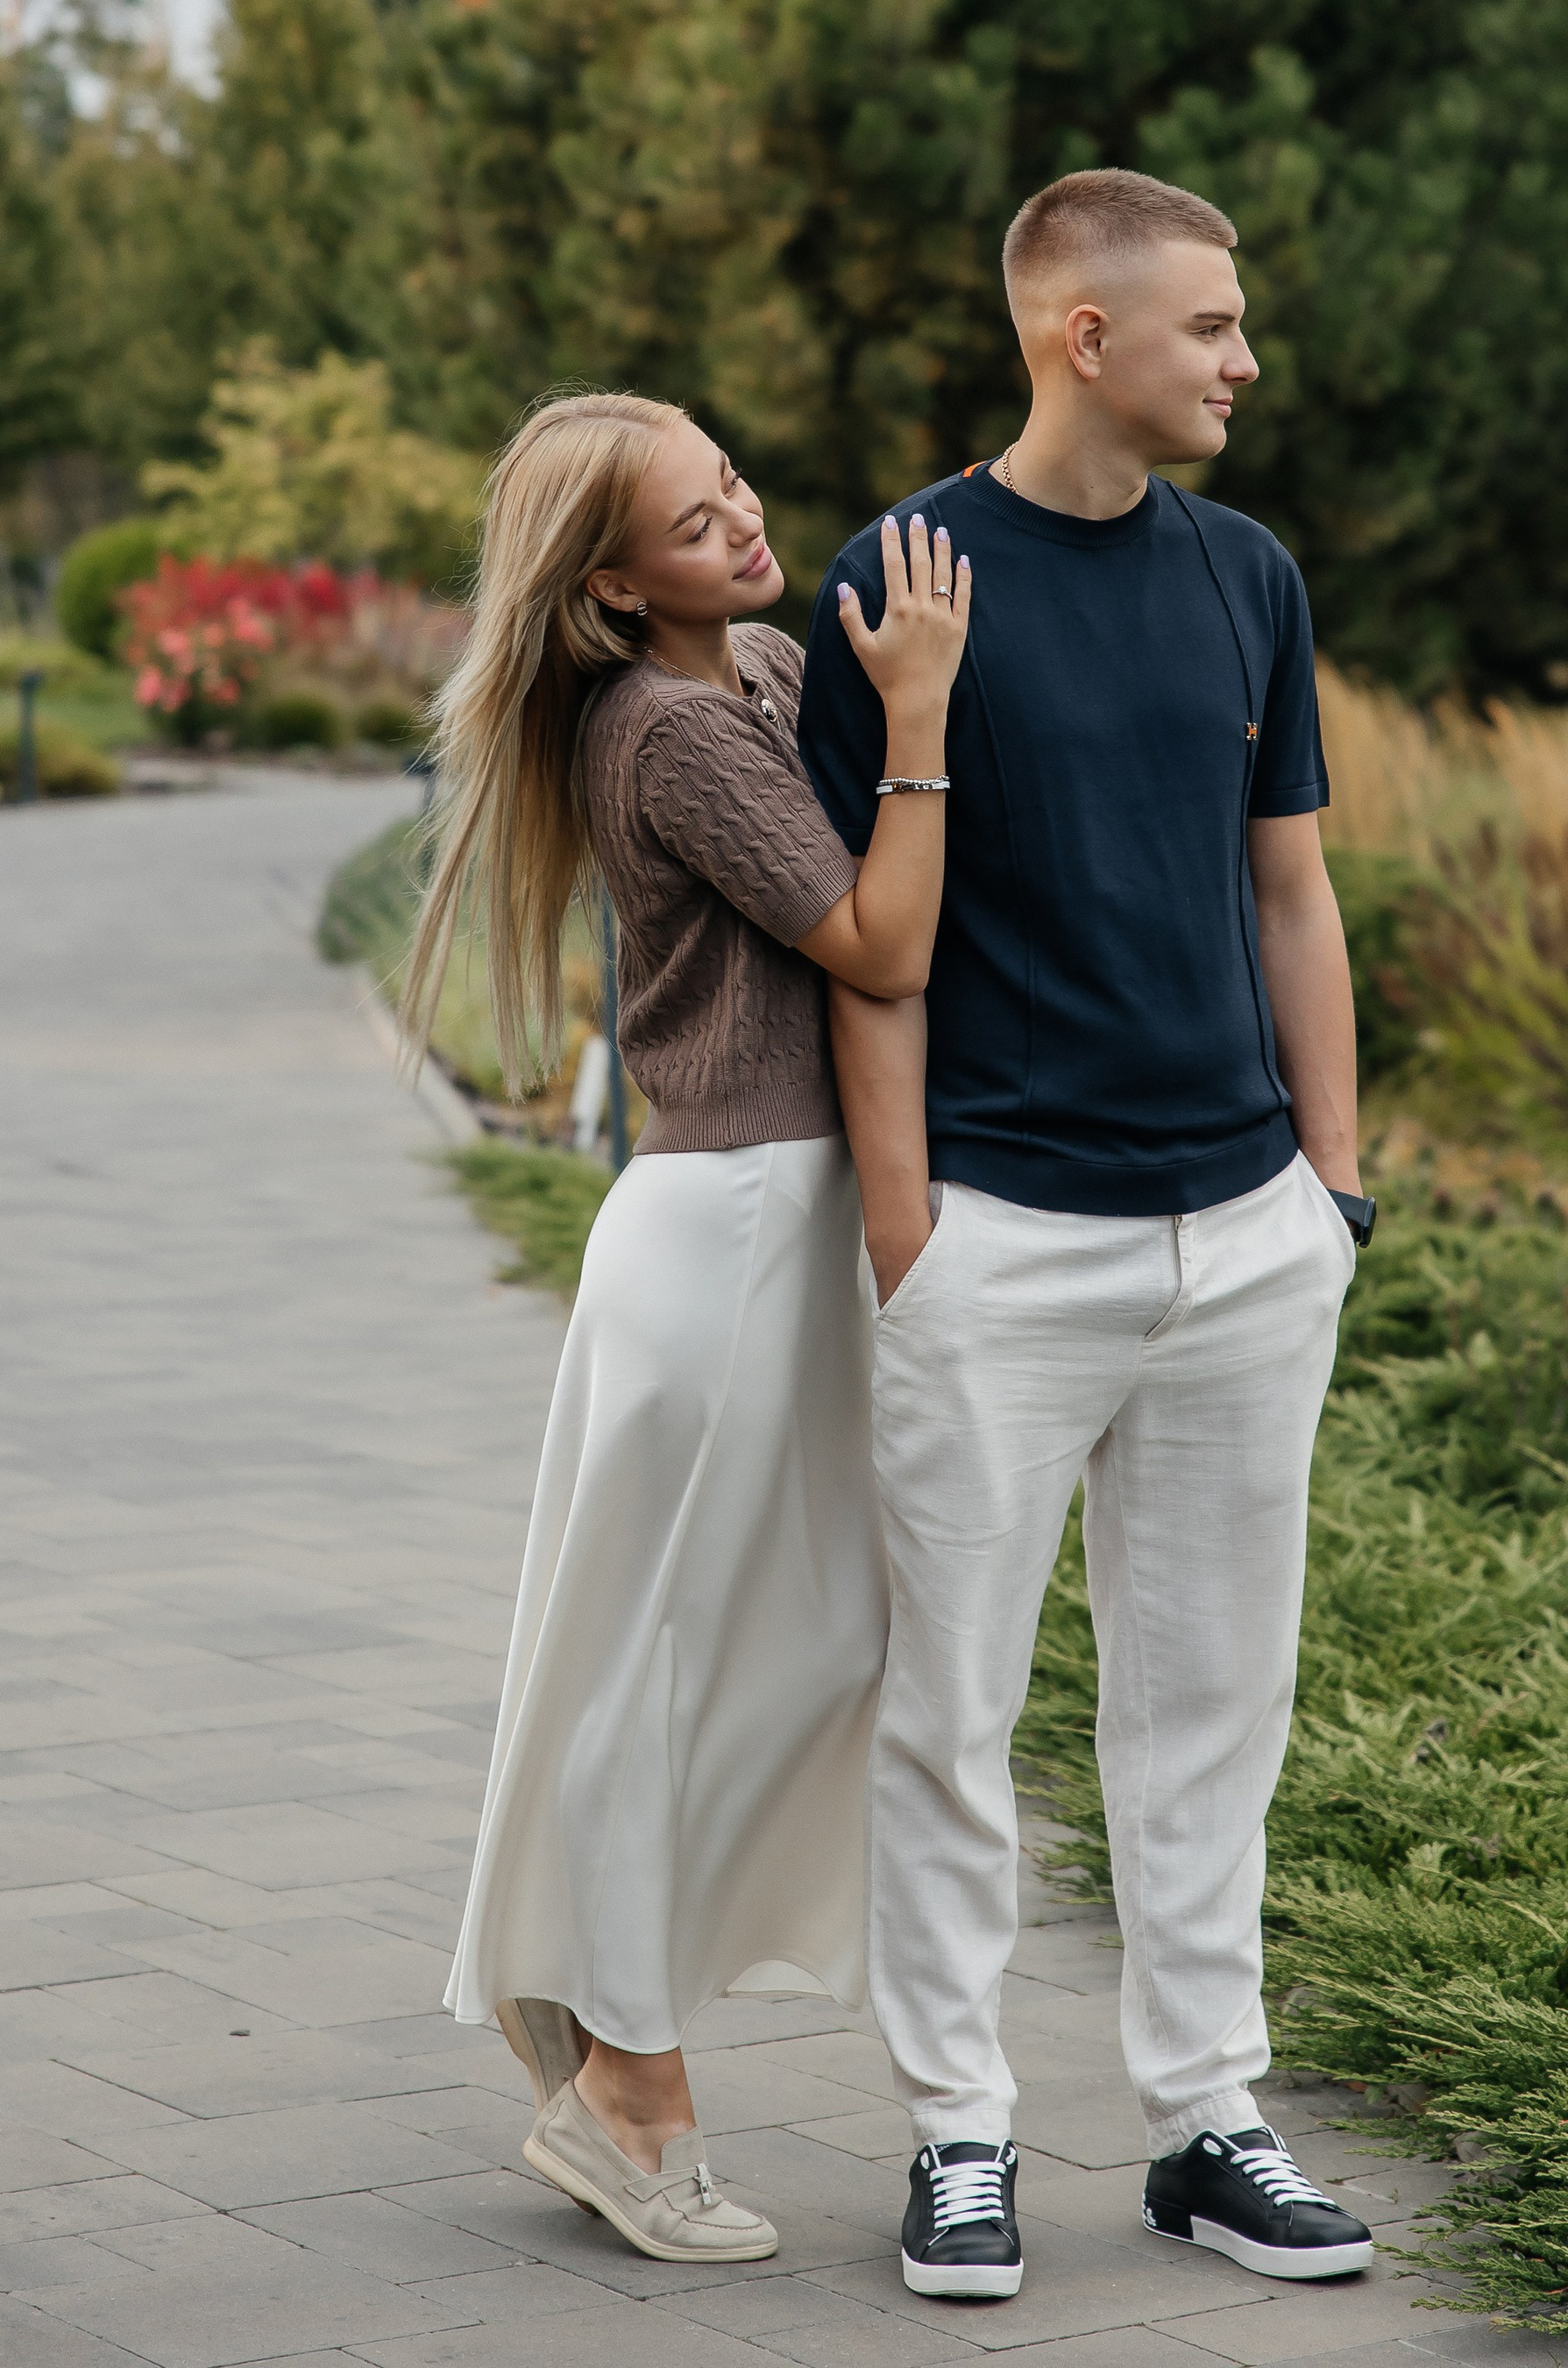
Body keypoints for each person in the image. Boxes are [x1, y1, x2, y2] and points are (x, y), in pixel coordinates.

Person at [796, 167, 1377, 2305]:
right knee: (949, 1709)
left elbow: (1288, 890)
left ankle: (1207, 2119)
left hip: (1239, 1235)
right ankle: (959, 2134)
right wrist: (903, 1231)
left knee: (1215, 1700)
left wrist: (1325, 1184)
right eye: (1211, 325)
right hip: (998, 1242)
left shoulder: (1246, 573)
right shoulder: (903, 575)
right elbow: (868, 947)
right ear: (1083, 337)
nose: (1241, 359)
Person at [415, 390, 970, 2268]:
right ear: (604, 580)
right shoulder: (662, 729)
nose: (739, 519)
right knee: (661, 1666)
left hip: (771, 1220)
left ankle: (579, 1987)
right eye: (688, 516)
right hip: (730, 1225)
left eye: (729, 477)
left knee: (791, 1649)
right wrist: (917, 723)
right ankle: (628, 2094)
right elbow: (878, 943)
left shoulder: (755, 666)